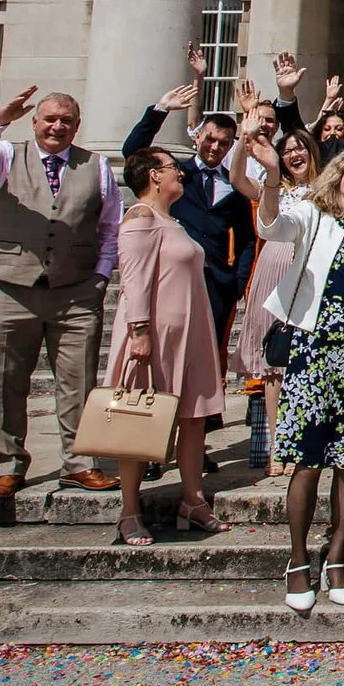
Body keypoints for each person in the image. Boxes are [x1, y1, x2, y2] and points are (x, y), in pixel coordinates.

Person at [240, 138, 344, 616]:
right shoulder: (311, 215)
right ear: (339, 171)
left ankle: (336, 557)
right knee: (308, 461)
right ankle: (296, 559)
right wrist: (271, 176)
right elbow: (270, 226)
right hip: (310, 351)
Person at [0, 86, 121, 514]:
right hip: (8, 287)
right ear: (35, 122)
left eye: (66, 120)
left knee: (79, 382)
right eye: (49, 119)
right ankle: (8, 463)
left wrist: (100, 279)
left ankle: (79, 461)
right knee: (3, 381)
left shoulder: (97, 166)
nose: (57, 126)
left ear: (77, 126)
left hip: (75, 292)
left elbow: (109, 228)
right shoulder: (4, 156)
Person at [107, 147, 231, 546]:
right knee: (137, 421)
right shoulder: (140, 217)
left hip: (190, 334)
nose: (180, 173)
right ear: (153, 176)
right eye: (173, 168)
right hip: (154, 335)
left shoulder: (170, 220)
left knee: (193, 418)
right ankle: (129, 511)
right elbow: (135, 279)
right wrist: (139, 332)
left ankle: (193, 501)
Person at [121, 70, 258, 346]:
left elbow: (246, 239)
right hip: (175, 276)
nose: (214, 147)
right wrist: (160, 110)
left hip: (216, 283)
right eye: (210, 139)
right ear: (198, 138)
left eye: (223, 143)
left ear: (231, 145)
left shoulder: (235, 185)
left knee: (206, 354)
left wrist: (237, 282)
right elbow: (133, 152)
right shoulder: (176, 175)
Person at [236, 125, 321, 474]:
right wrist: (245, 142)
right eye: (287, 151)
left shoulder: (327, 188)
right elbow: (237, 178)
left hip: (308, 276)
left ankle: (304, 441)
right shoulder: (273, 188)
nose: (294, 155)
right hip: (271, 271)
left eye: (300, 148)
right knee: (274, 365)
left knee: (306, 361)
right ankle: (277, 447)